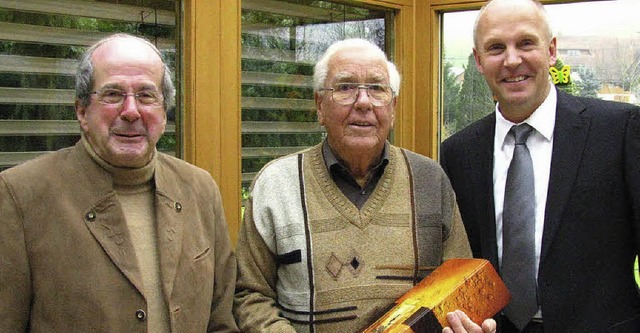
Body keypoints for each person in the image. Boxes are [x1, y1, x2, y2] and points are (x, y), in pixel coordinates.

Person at [233, 38, 495, 333]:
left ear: (393, 107)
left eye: (377, 88)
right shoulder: (276, 185)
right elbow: (249, 295)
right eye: (345, 88)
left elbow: (462, 284)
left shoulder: (430, 181)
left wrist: (463, 324)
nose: (363, 102)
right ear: (320, 106)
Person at [0, 33, 239, 332]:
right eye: (113, 94)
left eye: (146, 95)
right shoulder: (20, 195)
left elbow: (222, 320)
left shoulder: (199, 188)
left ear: (164, 112)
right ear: (82, 110)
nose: (130, 111)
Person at [440, 0, 640, 332]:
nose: (512, 60)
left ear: (551, 51)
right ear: (478, 61)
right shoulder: (459, 152)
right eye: (496, 48)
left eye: (526, 43)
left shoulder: (619, 131)